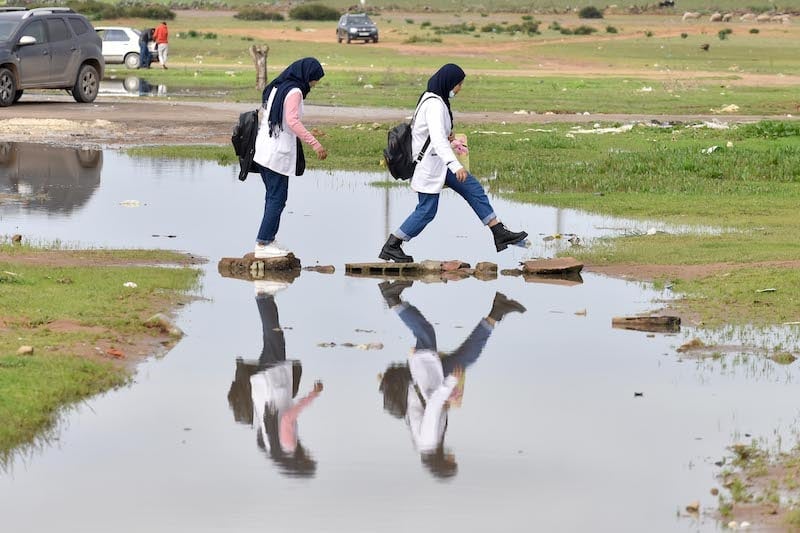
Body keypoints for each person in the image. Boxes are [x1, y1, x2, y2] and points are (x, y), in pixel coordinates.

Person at [379, 64, 528, 263]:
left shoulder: (436, 99)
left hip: (439, 162)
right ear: (449, 82)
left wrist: (450, 143)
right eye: (459, 84)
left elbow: (436, 136)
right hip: (429, 165)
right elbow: (437, 139)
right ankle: (393, 244)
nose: (459, 89)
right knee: (427, 210)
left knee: (472, 188)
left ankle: (499, 232)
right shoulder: (434, 104)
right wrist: (455, 165)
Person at [377, 281, 526, 478]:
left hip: (424, 379)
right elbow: (433, 408)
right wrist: (447, 395)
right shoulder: (429, 444)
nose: (453, 455)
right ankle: (497, 311)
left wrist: (450, 384)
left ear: (442, 461)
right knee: (467, 355)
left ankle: (392, 297)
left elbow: (431, 408)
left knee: (426, 333)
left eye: (451, 460)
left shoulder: (428, 441)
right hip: (431, 382)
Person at [226, 276, 322, 477]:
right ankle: (265, 297)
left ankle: (263, 296)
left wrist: (312, 395)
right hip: (264, 386)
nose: (310, 454)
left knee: (274, 335)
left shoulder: (288, 446)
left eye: (310, 458)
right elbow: (263, 434)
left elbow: (287, 418)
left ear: (302, 460)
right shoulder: (272, 451)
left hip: (274, 380)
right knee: (272, 335)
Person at [252, 57, 328, 259]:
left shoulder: (278, 86)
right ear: (307, 75)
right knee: (277, 198)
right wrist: (315, 143)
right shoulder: (294, 92)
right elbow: (292, 121)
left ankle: (268, 239)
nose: (315, 84)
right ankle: (263, 242)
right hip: (277, 154)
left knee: (272, 197)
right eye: (315, 79)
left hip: (264, 151)